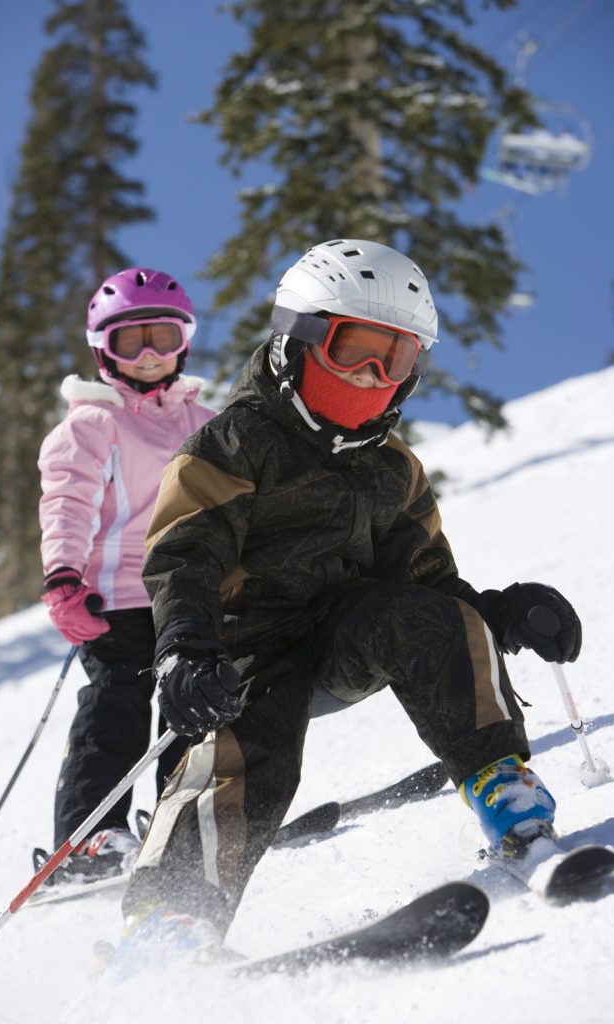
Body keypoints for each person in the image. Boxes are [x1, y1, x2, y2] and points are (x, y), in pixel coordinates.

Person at [118, 240, 581, 956]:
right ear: (297, 340)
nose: (371, 376)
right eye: (353, 349)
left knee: (431, 619)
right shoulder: (235, 442)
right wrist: (184, 641)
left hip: (343, 636)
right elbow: (185, 550)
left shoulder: (392, 468)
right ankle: (167, 923)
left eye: (393, 361)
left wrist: (501, 614)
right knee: (248, 748)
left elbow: (426, 585)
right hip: (245, 650)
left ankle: (513, 809)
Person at [38, 268, 214, 880]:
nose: (147, 356)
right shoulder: (93, 423)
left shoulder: (205, 421)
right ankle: (90, 834)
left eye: (161, 338)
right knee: (118, 703)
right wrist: (63, 576)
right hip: (117, 596)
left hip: (192, 591)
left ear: (183, 343)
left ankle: (180, 818)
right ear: (101, 350)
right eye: (129, 341)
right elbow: (67, 500)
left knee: (194, 702)